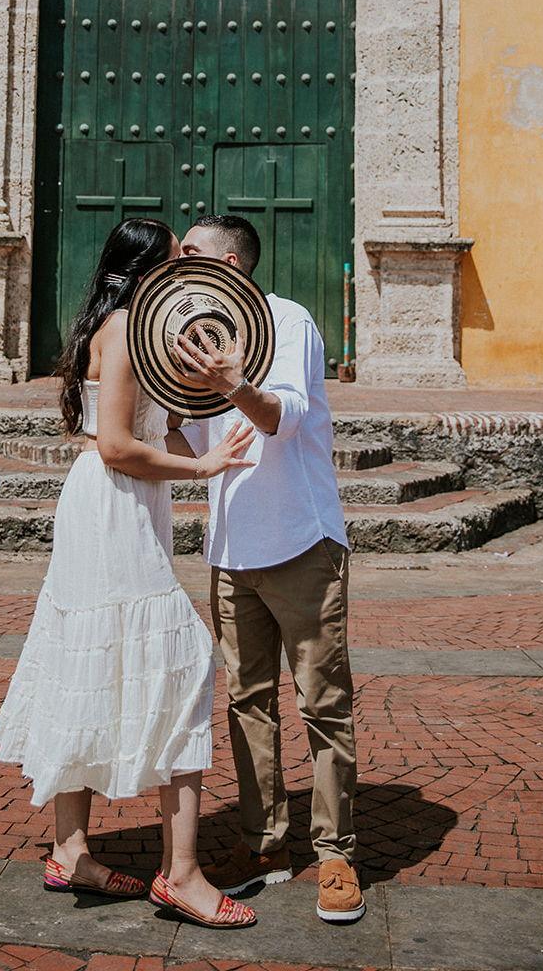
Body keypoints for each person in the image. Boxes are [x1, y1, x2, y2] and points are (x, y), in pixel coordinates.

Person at [0, 217, 260, 930]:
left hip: (121, 506)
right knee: (186, 662)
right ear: (146, 269)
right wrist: (202, 466)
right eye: (173, 261)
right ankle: (182, 875)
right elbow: (114, 445)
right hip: (113, 504)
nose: (184, 272)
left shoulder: (127, 330)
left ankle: (72, 851)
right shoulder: (123, 334)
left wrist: (214, 405)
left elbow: (149, 427)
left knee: (91, 665)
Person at [172, 214, 365, 926]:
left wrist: (234, 382)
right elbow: (188, 436)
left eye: (188, 253)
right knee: (248, 703)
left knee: (322, 702)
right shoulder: (189, 334)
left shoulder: (288, 320)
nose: (177, 263)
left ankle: (336, 852)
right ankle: (266, 845)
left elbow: (283, 413)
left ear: (229, 262)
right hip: (229, 550)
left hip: (300, 541)